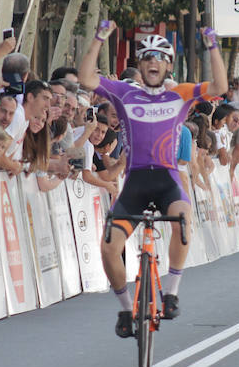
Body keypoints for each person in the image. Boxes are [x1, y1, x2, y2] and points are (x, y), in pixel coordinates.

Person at [79, 20, 227, 338]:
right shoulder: (125, 92)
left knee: (183, 222)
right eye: (146, 57)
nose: (152, 62)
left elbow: (219, 87)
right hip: (134, 183)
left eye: (159, 57)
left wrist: (212, 45)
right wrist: (98, 38)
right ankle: (123, 308)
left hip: (166, 181)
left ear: (168, 64)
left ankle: (171, 292)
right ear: (140, 64)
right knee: (109, 248)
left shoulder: (180, 94)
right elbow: (86, 78)